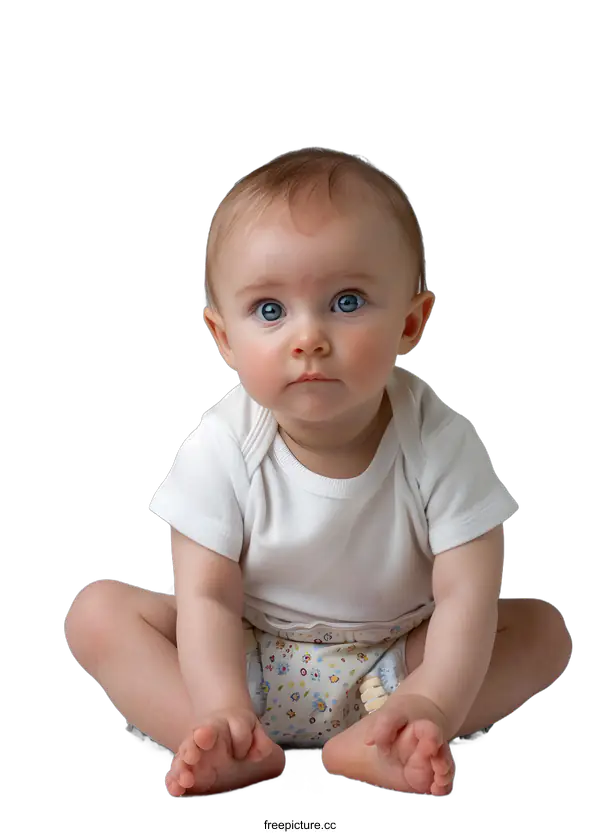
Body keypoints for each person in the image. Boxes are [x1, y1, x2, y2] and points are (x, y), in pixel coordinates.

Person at [64, 147, 573, 799]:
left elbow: (465, 598)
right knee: (97, 614)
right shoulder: (222, 445)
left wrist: (432, 703)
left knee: (542, 633)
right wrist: (223, 704)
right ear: (223, 339)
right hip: (243, 659)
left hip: (400, 666)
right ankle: (224, 741)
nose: (308, 337)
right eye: (270, 310)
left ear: (411, 322)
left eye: (348, 300)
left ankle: (389, 738)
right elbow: (209, 597)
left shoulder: (439, 442)